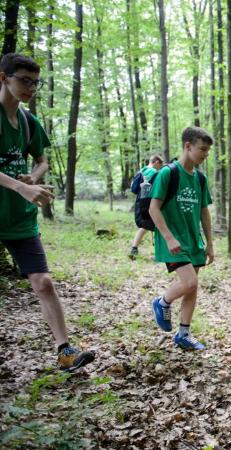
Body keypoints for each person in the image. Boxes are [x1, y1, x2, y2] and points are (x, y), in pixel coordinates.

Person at [0, 53, 95, 371]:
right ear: (4, 78)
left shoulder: (28, 122)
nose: (31, 88)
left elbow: (41, 160)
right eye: (24, 80)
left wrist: (33, 178)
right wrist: (20, 186)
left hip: (20, 219)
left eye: (35, 83)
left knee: (43, 282)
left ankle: (65, 351)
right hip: (11, 203)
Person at [148, 127, 214, 350]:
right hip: (173, 241)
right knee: (189, 282)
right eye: (202, 149)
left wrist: (210, 244)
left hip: (193, 241)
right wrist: (168, 238)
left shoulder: (200, 179)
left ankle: (183, 334)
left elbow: (204, 212)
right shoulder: (168, 173)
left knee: (192, 288)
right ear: (188, 146)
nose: (205, 155)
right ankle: (162, 302)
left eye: (207, 151)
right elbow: (153, 208)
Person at [129, 154, 164, 260]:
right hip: (151, 202)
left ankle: (134, 248)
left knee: (144, 226)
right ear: (156, 162)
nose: (160, 168)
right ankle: (159, 253)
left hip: (141, 202)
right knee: (159, 225)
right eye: (160, 165)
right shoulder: (153, 172)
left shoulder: (141, 171)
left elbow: (135, 190)